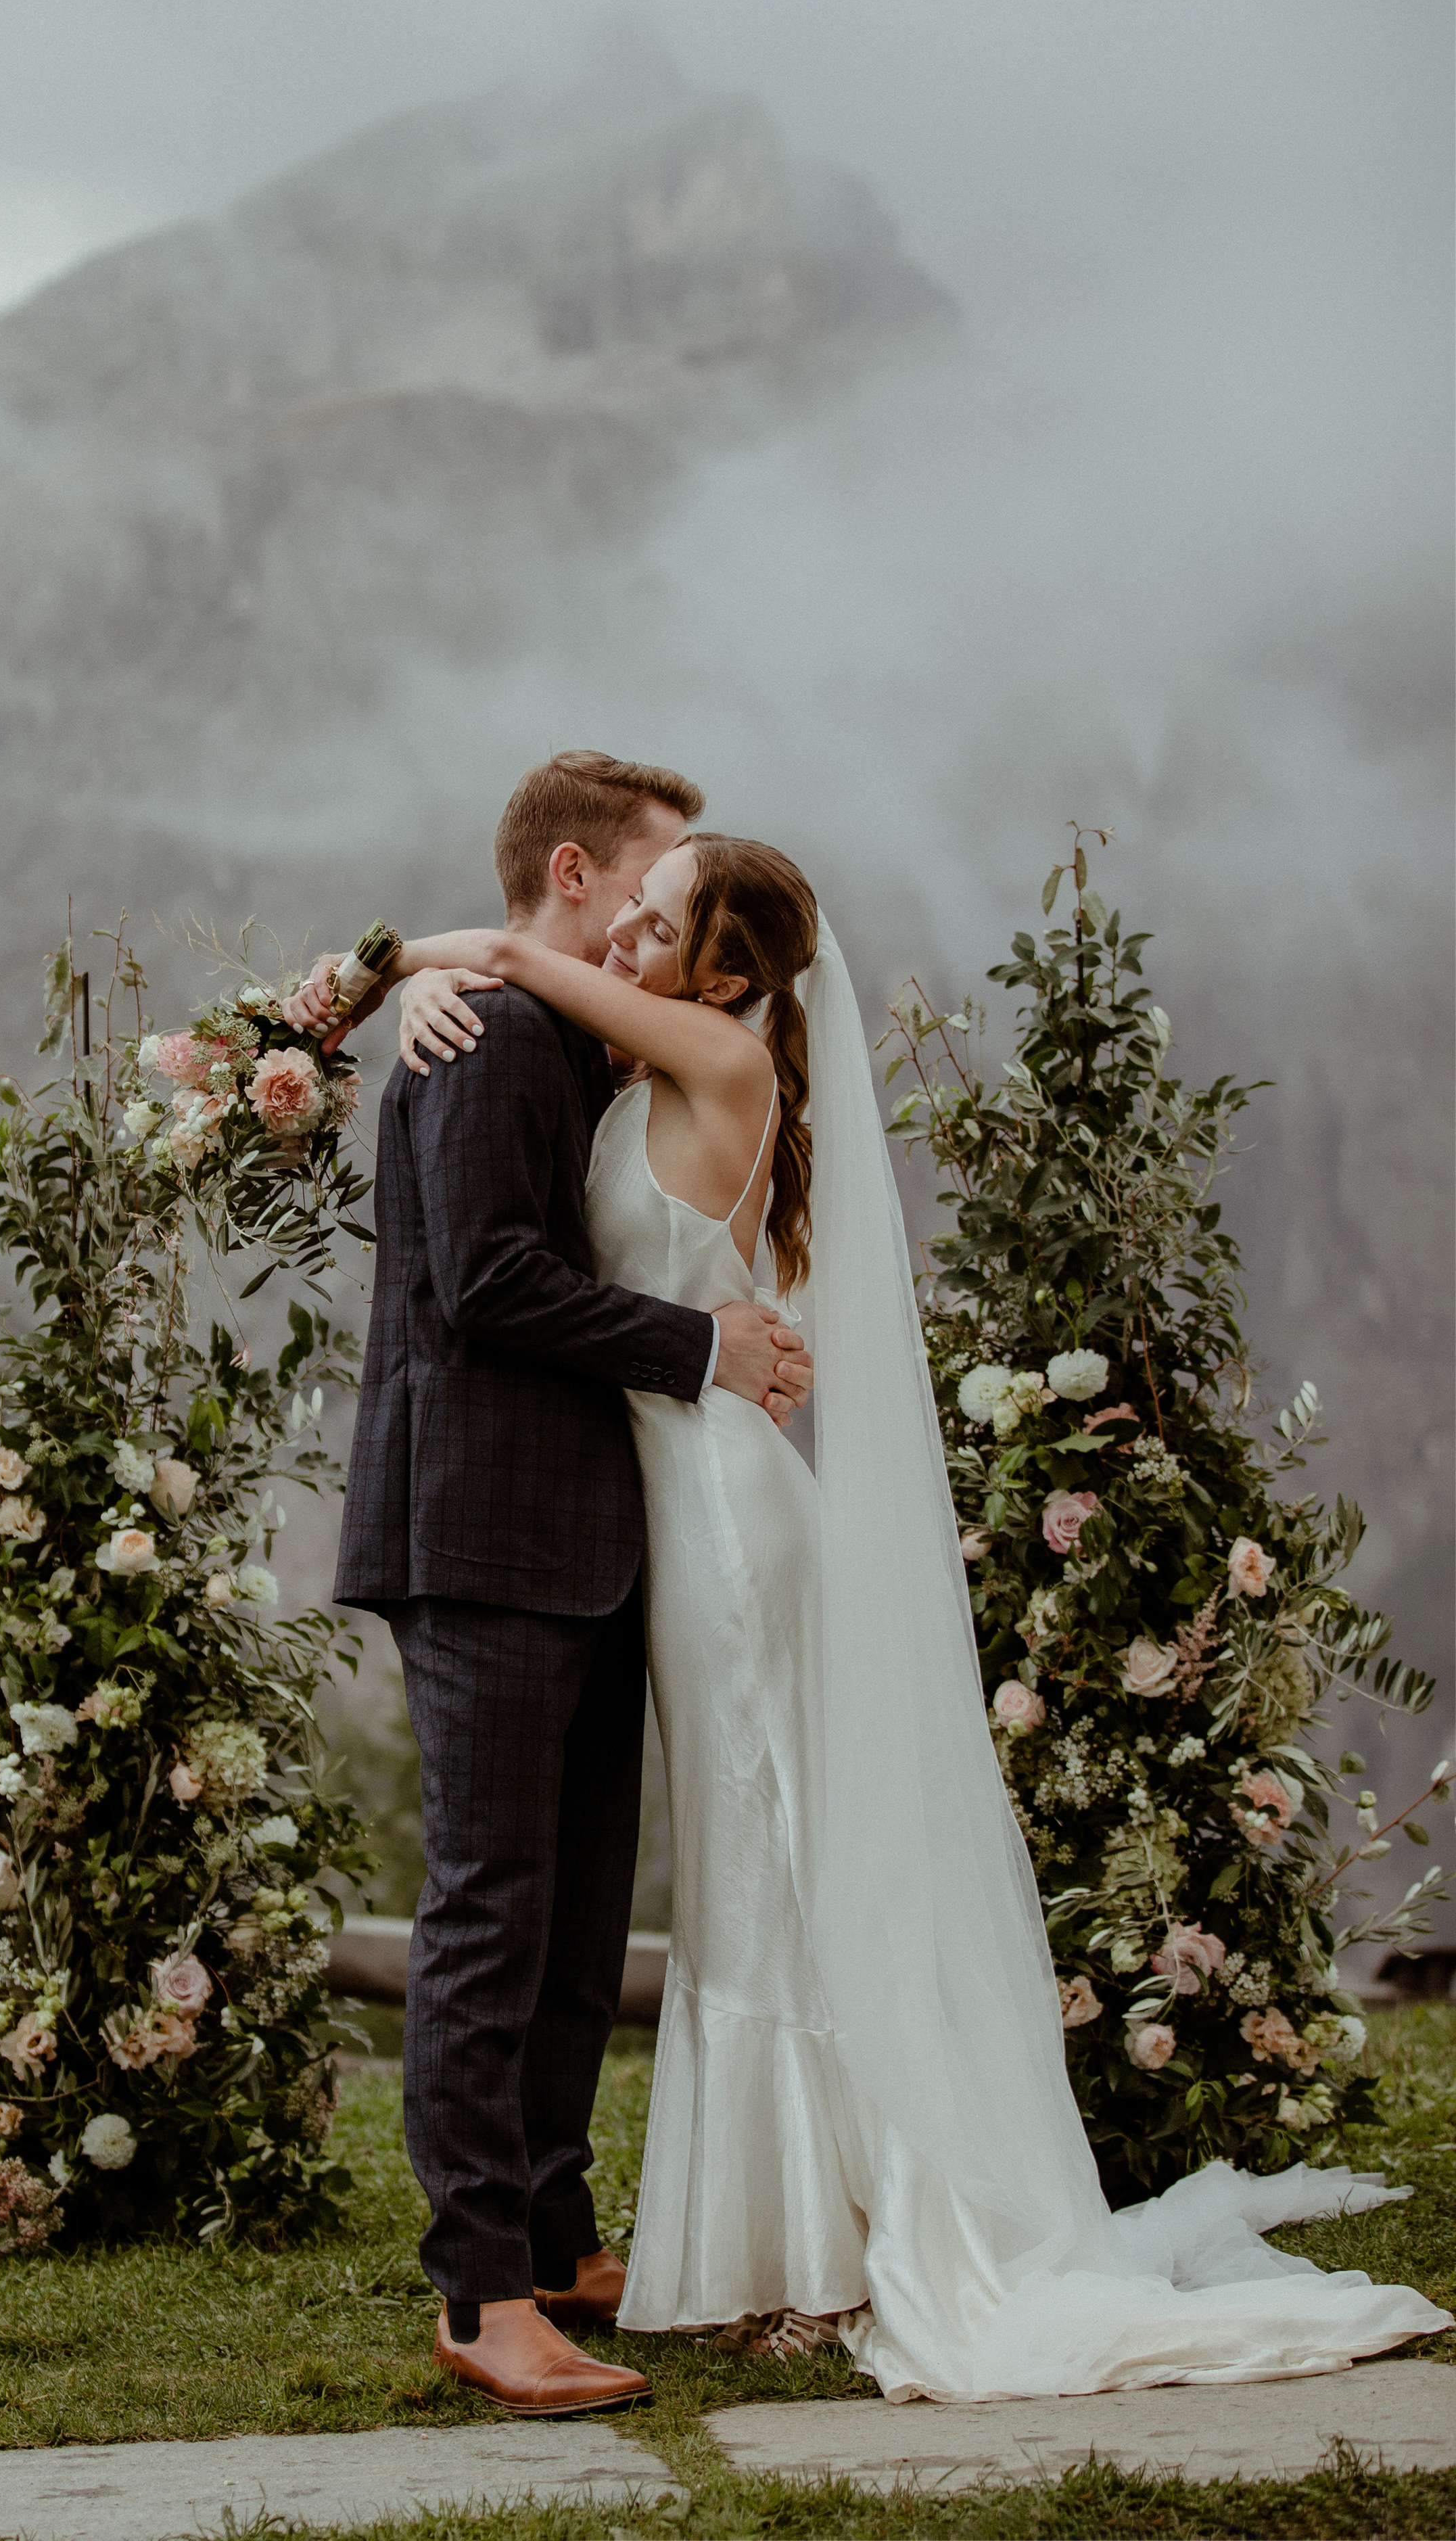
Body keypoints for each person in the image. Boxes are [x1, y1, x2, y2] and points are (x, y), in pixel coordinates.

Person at [335, 823, 1451, 2402]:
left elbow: (526, 964)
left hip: (717, 1522)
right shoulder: (621, 1054)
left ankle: (794, 2221)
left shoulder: (701, 1052)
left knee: (759, 1854)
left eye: (659, 925)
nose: (628, 946)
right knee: (701, 1870)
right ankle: (658, 2242)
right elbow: (513, 1148)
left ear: (727, 971)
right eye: (628, 914)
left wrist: (389, 966)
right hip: (650, 1512)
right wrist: (402, 997)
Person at [327, 753, 813, 2419]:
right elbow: (485, 1285)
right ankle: (479, 2293)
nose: (656, 934)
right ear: (574, 877)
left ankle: (551, 2233)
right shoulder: (486, 1036)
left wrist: (413, 963)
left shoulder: (561, 1041)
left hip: (587, 1541)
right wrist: (704, 1347)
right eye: (656, 891)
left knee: (576, 1919)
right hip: (480, 1533)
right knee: (490, 1910)